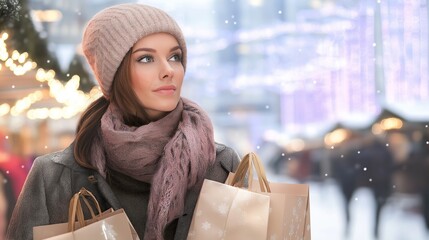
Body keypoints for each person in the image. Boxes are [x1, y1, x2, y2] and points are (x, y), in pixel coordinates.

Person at [6, 3, 240, 240]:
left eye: (175, 56)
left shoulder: (220, 165)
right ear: (113, 72)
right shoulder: (55, 177)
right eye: (146, 58)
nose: (169, 70)